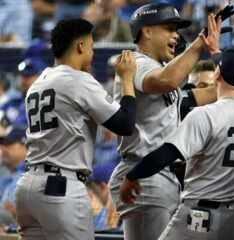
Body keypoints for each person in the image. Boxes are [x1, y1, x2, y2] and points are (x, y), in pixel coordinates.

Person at [108, 3, 234, 240]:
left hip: (159, 176)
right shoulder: (136, 62)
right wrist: (199, 44)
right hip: (145, 175)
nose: (176, 35)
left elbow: (203, 95)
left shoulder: (159, 66)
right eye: (169, 28)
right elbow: (168, 81)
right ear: (147, 31)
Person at [119, 46, 234, 240]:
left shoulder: (205, 114)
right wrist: (222, 58)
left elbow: (165, 154)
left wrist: (132, 176)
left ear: (216, 74)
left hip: (202, 215)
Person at [14, 18, 137, 240]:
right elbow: (124, 124)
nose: (92, 54)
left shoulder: (37, 83)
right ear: (80, 46)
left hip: (27, 187)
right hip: (61, 188)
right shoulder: (79, 79)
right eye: (91, 47)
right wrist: (127, 79)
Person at [0, 125, 27, 226]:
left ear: (25, 146)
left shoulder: (31, 177)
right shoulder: (4, 179)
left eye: (8, 144)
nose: (2, 148)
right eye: (2, 144)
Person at [87, 163, 120, 231]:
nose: (91, 196)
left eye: (94, 191)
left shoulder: (127, 214)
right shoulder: (100, 215)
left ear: (103, 187)